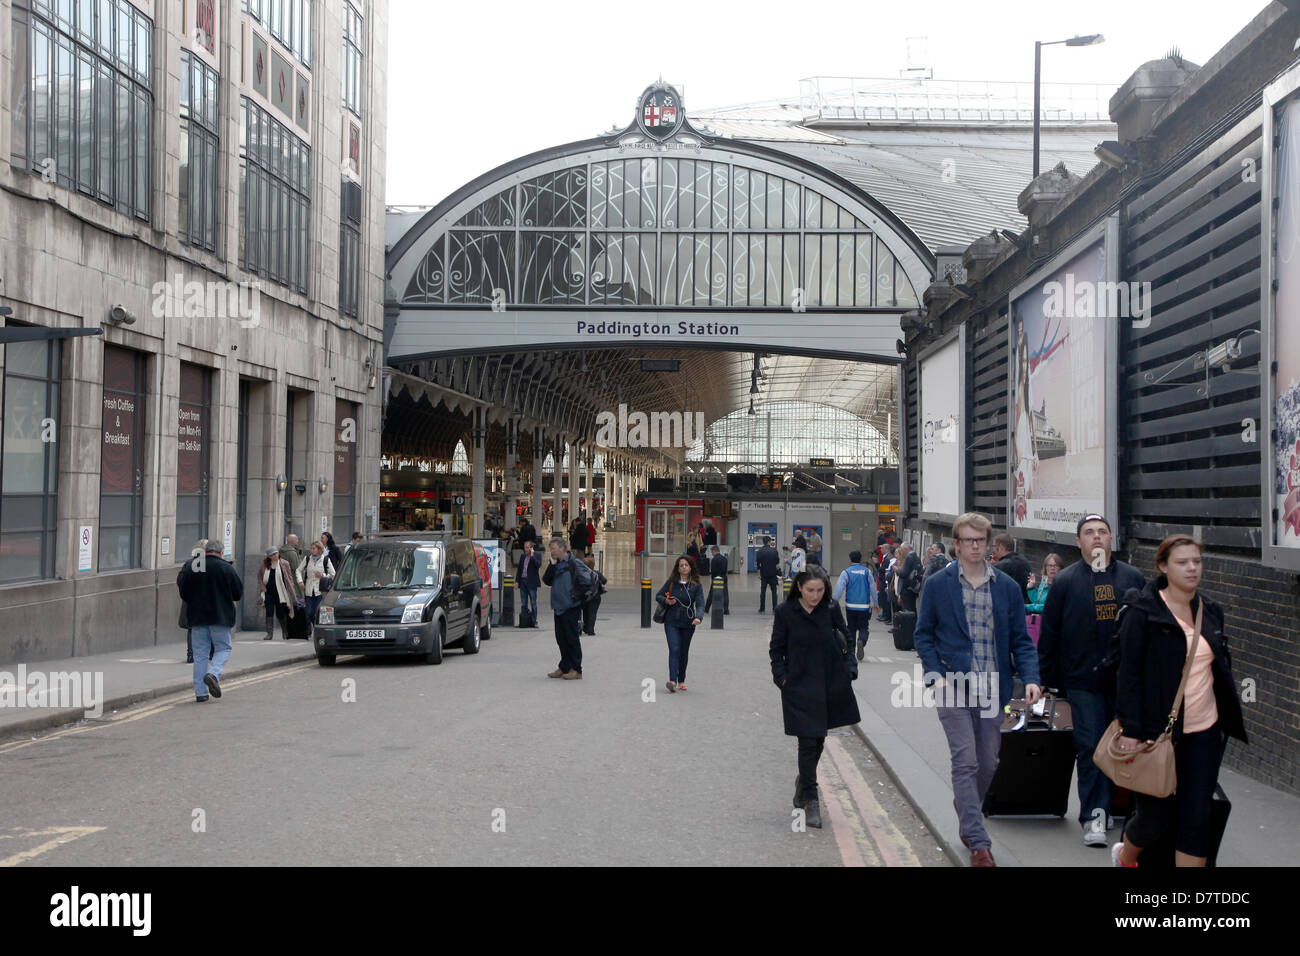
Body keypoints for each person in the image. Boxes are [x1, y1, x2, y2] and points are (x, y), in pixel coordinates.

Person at [913, 512, 1041, 867]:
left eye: (980, 540)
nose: (974, 546)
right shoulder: (939, 584)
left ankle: (964, 804)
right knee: (965, 759)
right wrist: (934, 675)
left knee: (988, 761)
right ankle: (978, 841)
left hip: (992, 687)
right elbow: (923, 635)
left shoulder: (1007, 588)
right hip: (952, 685)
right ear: (956, 543)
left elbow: (1021, 640)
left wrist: (1030, 677)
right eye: (968, 540)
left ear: (989, 545)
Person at [1111, 535, 1247, 868]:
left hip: (1204, 731)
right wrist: (1131, 729)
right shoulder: (1142, 612)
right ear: (1162, 567)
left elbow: (1217, 668)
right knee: (1155, 817)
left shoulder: (1210, 610)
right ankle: (1126, 857)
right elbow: (1128, 675)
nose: (1191, 568)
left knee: (1197, 816)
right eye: (1182, 562)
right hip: (1156, 734)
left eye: (1196, 562)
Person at [1038, 516, 1146, 847]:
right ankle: (1094, 814)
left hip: (1125, 682)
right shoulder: (1066, 581)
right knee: (1089, 746)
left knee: (1122, 747)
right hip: (1082, 679)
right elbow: (1050, 634)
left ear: (1112, 539)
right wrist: (1047, 680)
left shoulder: (1133, 578)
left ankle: (1114, 806)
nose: (1097, 537)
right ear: (1079, 542)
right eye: (1089, 533)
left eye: (1102, 532)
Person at [769, 569, 861, 829]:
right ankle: (811, 798)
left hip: (829, 683)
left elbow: (846, 639)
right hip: (798, 686)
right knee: (807, 741)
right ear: (799, 587)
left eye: (820, 590)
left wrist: (850, 668)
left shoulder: (830, 608)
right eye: (810, 590)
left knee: (819, 739)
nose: (815, 596)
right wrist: (782, 679)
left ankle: (803, 782)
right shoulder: (785, 612)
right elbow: (776, 650)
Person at [176, 540, 244, 703]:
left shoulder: (194, 566)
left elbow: (184, 592)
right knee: (223, 648)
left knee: (200, 655)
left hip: (198, 617)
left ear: (205, 551)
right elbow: (237, 594)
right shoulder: (226, 568)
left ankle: (201, 693)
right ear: (221, 553)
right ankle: (213, 674)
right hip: (220, 617)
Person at [655, 556, 704, 693]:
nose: (683, 567)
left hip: (689, 622)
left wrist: (698, 617)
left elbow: (700, 603)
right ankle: (672, 680)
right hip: (671, 621)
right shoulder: (672, 583)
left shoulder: (696, 586)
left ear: (690, 568)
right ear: (677, 568)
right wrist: (667, 601)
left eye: (686, 565)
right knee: (674, 649)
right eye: (681, 565)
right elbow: (658, 596)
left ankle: (681, 679)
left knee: (683, 651)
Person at [541, 538, 584, 679]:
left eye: (553, 548)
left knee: (572, 638)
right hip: (558, 606)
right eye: (551, 549)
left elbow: (583, 583)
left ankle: (576, 669)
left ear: (562, 548)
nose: (551, 551)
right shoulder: (556, 563)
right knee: (561, 639)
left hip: (571, 607)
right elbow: (546, 580)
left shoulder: (573, 563)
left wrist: (576, 599)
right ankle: (564, 666)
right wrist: (552, 565)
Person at [833, 550, 879, 661]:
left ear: (850, 559)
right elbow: (873, 588)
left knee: (851, 628)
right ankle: (861, 641)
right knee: (864, 627)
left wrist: (834, 601)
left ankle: (852, 649)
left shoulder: (846, 572)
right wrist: (876, 603)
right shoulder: (867, 572)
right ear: (860, 558)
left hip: (850, 606)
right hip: (864, 606)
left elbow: (839, 588)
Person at [258, 546, 302, 640]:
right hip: (268, 592)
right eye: (273, 554)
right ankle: (269, 634)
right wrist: (262, 588)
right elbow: (260, 577)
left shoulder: (284, 563)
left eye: (276, 553)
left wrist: (292, 590)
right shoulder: (265, 564)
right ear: (269, 556)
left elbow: (289, 577)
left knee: (280, 612)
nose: (275, 556)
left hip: (280, 592)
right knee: (269, 612)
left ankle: (285, 632)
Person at [297, 541, 335, 637]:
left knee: (317, 612)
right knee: (309, 612)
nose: (312, 550)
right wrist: (300, 581)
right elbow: (298, 570)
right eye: (311, 548)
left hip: (320, 590)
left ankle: (317, 632)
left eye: (314, 548)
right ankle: (310, 629)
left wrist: (323, 575)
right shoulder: (307, 559)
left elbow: (333, 575)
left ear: (319, 549)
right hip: (309, 589)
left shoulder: (325, 560)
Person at [991, 533, 1032, 602]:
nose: (993, 550)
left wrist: (991, 568)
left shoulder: (1001, 566)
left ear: (1001, 547)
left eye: (994, 546)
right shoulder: (1024, 561)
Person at [516, 539, 542, 628]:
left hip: (531, 583)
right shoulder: (522, 556)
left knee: (533, 603)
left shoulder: (537, 555)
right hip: (523, 582)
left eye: (527, 548)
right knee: (523, 603)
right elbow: (519, 570)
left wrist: (532, 556)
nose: (525, 549)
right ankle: (524, 621)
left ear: (531, 548)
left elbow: (538, 565)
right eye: (525, 548)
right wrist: (517, 581)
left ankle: (534, 621)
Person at [580, 552, 607, 636]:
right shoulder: (596, 573)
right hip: (595, 596)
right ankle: (590, 629)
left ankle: (585, 626)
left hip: (585, 596)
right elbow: (604, 581)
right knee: (592, 613)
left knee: (585, 612)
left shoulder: (581, 573)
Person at [894, 543, 923, 613]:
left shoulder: (909, 557)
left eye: (901, 550)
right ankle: (913, 622)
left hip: (907, 588)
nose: (901, 552)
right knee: (912, 608)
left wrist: (897, 570)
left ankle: (909, 623)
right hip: (914, 587)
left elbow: (904, 573)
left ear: (905, 549)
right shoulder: (917, 558)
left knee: (907, 609)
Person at [756, 536, 781, 614]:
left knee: (763, 592)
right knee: (774, 592)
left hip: (764, 574)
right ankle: (774, 609)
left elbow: (758, 564)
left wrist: (759, 574)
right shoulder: (774, 551)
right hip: (773, 574)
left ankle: (762, 609)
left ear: (763, 542)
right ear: (769, 542)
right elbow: (777, 562)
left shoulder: (760, 551)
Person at [703, 545, 729, 615]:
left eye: (712, 552)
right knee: (725, 594)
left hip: (716, 579)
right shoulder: (725, 559)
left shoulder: (714, 559)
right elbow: (725, 570)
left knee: (711, 594)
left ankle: (706, 609)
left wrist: (713, 579)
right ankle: (726, 610)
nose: (712, 553)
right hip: (723, 578)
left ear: (714, 551)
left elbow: (713, 571)